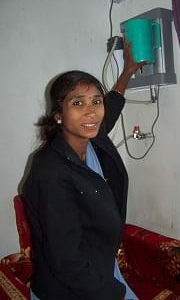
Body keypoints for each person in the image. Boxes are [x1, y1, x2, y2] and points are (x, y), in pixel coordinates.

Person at [21, 43, 145, 300]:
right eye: (78, 103)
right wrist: (116, 293)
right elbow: (67, 263)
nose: (91, 111)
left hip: (101, 265)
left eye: (95, 102)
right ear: (58, 115)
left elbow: (110, 108)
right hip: (72, 288)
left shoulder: (92, 136)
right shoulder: (51, 173)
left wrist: (127, 73)